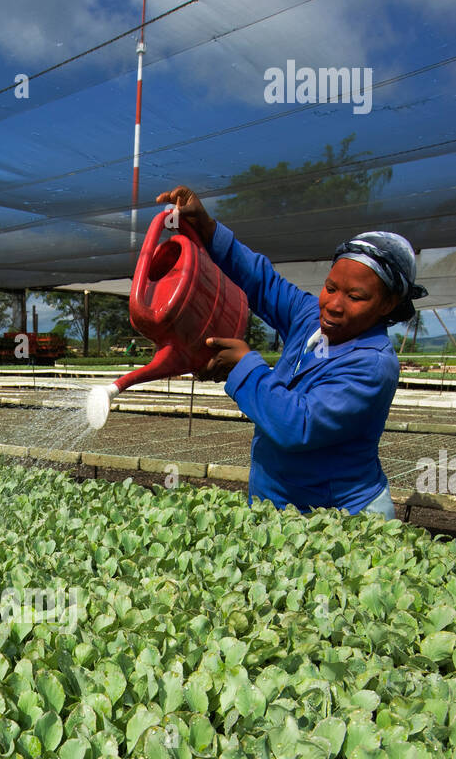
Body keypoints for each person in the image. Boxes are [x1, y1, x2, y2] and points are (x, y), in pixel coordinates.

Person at [156, 185, 428, 518]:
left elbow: (297, 426)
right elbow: (261, 281)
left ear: (387, 304)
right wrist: (207, 226)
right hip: (278, 504)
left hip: (339, 517)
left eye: (355, 297)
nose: (334, 305)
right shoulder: (310, 318)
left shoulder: (372, 363)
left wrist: (244, 367)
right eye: (330, 288)